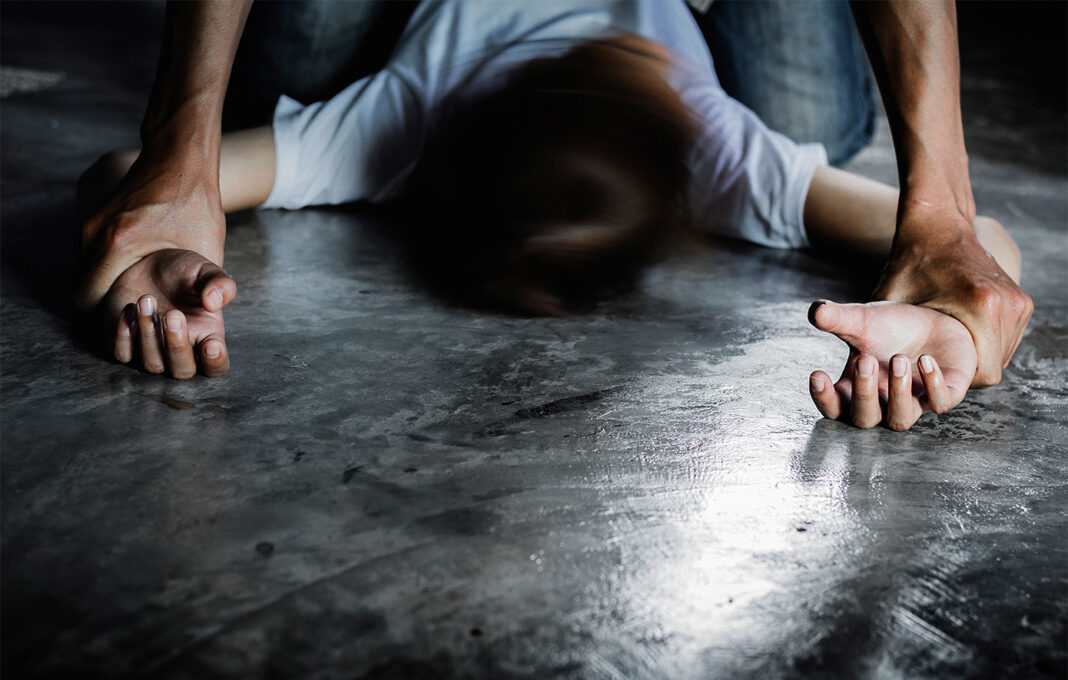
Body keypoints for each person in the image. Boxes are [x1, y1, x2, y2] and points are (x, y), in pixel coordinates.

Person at [76, 0, 1026, 431]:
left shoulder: (399, 119)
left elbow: (134, 178)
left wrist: (156, 216)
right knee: (814, 115)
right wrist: (950, 309)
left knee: (285, 73)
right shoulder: (715, 146)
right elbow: (975, 253)